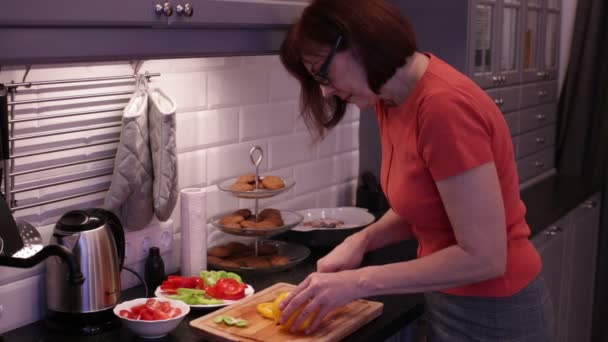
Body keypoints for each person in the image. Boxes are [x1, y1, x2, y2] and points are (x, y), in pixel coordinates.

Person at [277, 0, 555, 341]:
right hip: (449, 297)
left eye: (323, 72)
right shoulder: (389, 99)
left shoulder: (443, 108)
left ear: (360, 42)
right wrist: (362, 239)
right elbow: (425, 205)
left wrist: (356, 282)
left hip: (496, 313)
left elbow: (485, 257)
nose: (324, 89)